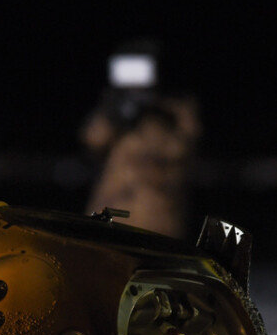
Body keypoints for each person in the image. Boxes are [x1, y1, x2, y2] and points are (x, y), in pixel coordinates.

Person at [82, 41, 200, 238]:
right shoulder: (116, 114)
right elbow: (93, 140)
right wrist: (115, 112)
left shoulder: (171, 113)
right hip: (111, 219)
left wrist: (158, 108)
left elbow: (182, 147)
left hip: (156, 222)